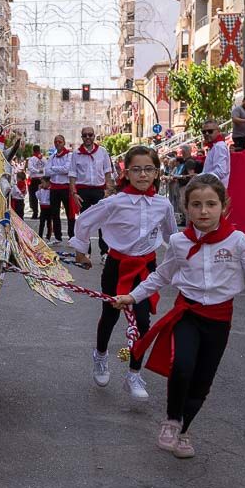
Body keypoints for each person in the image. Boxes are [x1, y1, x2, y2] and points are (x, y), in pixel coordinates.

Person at [114, 174, 245, 459]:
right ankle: (172, 420)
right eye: (197, 205)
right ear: (185, 208)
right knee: (182, 366)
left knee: (202, 380)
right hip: (187, 313)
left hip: (218, 319)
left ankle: (184, 431)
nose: (204, 211)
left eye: (211, 204)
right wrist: (133, 296)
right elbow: (161, 276)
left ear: (224, 207)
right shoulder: (178, 242)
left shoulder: (237, 240)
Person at [73, 145, 176, 401]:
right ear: (126, 173)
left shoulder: (163, 205)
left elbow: (172, 237)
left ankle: (134, 374)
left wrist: (185, 262)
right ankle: (100, 356)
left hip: (146, 268)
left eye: (148, 169)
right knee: (110, 315)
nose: (143, 175)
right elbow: (84, 220)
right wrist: (81, 251)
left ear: (156, 173)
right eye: (137, 169)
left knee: (142, 321)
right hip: (117, 267)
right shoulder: (115, 202)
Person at [70, 126, 115, 257]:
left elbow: (108, 173)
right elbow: (72, 176)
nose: (88, 137)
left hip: (99, 191)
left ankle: (104, 252)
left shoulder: (102, 152)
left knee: (103, 222)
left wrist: (108, 191)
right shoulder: (76, 154)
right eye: (85, 135)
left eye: (90, 135)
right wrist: (74, 194)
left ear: (94, 136)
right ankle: (86, 252)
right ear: (82, 137)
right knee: (85, 222)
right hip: (83, 191)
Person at [46, 134, 75, 242]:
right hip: (54, 188)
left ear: (64, 143)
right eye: (56, 142)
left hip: (66, 187)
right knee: (55, 213)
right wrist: (58, 169)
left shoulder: (69, 155)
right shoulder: (52, 156)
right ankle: (58, 237)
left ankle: (72, 236)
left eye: (60, 142)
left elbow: (67, 169)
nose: (57, 144)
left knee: (69, 213)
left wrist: (53, 168)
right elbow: (47, 171)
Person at [200, 120, 230, 188]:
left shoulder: (219, 146)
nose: (207, 134)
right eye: (204, 132)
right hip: (212, 188)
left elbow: (220, 172)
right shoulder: (214, 146)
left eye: (210, 131)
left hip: (215, 190)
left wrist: (200, 177)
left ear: (218, 131)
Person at [26, 144, 45, 218]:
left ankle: (35, 213)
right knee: (42, 197)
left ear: (33, 150)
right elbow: (46, 167)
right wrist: (41, 171)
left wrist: (37, 171)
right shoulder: (43, 159)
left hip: (34, 180)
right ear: (39, 150)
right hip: (42, 180)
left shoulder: (32, 159)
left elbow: (30, 168)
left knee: (33, 197)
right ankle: (43, 213)